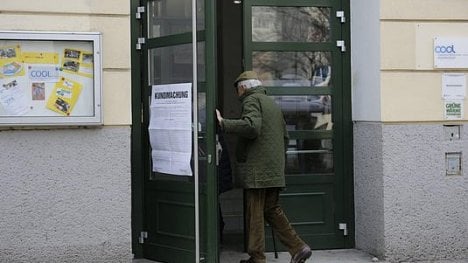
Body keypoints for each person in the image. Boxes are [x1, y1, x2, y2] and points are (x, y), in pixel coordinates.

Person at [216, 71, 312, 263]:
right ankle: (298, 247)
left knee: (255, 213)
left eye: (237, 90)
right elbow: (285, 137)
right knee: (271, 209)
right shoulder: (271, 103)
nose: (237, 95)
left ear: (243, 87)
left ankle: (257, 258)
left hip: (259, 171)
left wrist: (223, 123)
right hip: (274, 169)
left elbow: (252, 127)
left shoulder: (251, 100)